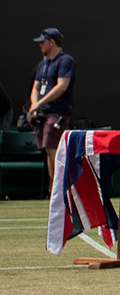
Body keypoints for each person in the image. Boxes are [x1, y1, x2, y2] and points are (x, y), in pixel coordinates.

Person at [27, 27, 76, 188]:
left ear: (52, 42)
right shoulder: (44, 63)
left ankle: (58, 186)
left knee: (53, 148)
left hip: (57, 112)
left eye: (43, 42)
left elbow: (61, 87)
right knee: (48, 149)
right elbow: (36, 86)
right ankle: (53, 187)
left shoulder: (65, 61)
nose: (40, 45)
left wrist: (39, 104)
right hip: (43, 113)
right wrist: (35, 105)